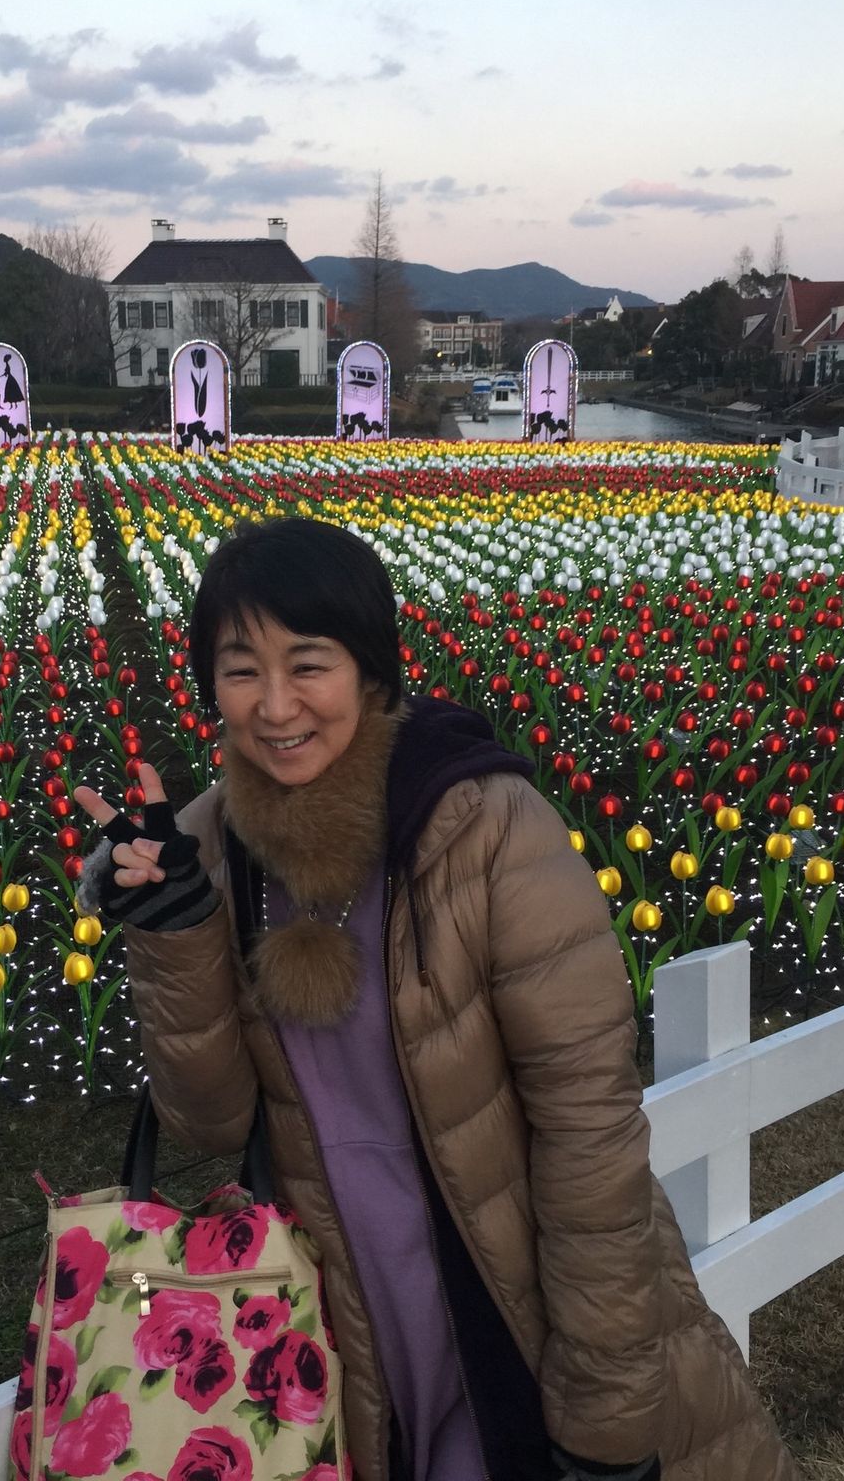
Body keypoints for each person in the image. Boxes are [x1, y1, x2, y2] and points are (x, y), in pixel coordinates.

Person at [74, 517, 800, 1481]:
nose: (277, 705)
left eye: (310, 664)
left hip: (511, 1307)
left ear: (373, 672)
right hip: (350, 1332)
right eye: (241, 669)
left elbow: (592, 1139)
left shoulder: (483, 828)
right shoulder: (211, 849)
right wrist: (172, 928)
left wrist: (605, 1418)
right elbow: (210, 1121)